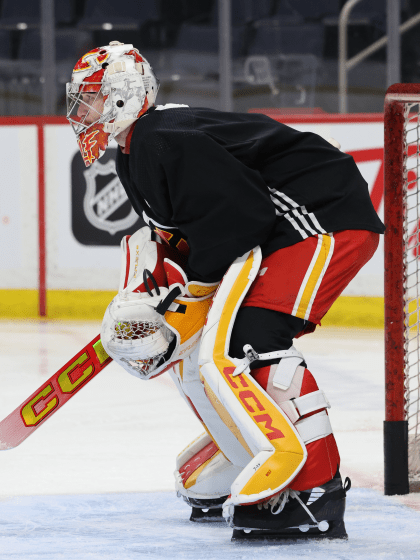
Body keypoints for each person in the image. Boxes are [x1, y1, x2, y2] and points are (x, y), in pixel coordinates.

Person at [66, 41, 385, 540]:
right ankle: (243, 449)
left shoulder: (161, 138)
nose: (80, 110)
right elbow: (184, 235)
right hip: (284, 230)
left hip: (323, 220)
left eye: (89, 96)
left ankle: (313, 490)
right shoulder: (136, 151)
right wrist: (159, 302)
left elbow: (243, 218)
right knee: (200, 346)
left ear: (122, 95)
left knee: (253, 338)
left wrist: (192, 294)